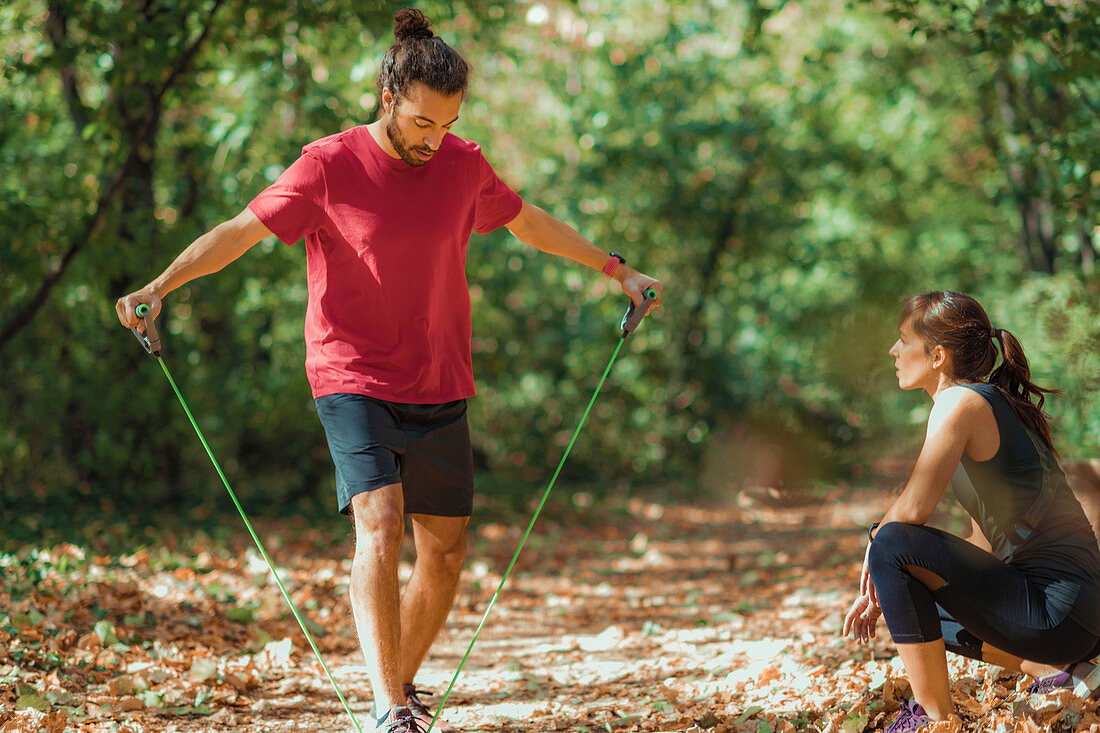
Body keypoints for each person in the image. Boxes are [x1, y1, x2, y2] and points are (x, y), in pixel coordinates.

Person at [115, 9, 662, 733]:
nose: (434, 139)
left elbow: (529, 221)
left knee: (445, 550)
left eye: (448, 122)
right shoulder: (328, 165)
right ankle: (384, 708)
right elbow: (239, 233)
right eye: (421, 122)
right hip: (351, 372)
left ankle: (395, 686)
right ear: (386, 98)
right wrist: (161, 286)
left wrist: (614, 268)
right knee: (380, 519)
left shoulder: (463, 165)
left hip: (440, 377)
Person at [842, 291, 1100, 732]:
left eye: (903, 340)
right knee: (904, 580)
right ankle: (1056, 671)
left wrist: (875, 550)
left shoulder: (959, 404)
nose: (893, 351)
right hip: (1077, 616)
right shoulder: (985, 402)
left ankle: (934, 720)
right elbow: (985, 543)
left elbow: (914, 507)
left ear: (937, 355)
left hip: (1061, 611)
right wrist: (893, 591)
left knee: (889, 540)